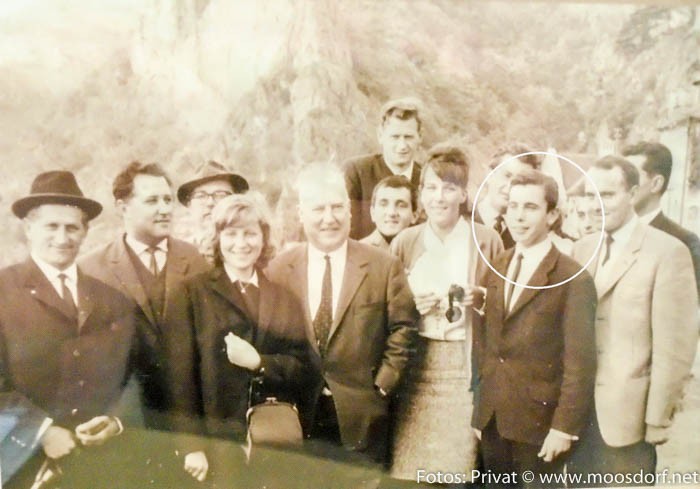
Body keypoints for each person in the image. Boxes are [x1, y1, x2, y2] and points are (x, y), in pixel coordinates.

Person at [266, 163, 418, 466]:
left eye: (337, 207)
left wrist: (382, 385)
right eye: (318, 209)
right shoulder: (279, 269)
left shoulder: (384, 266)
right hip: (298, 416)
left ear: (349, 211)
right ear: (301, 214)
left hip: (362, 417)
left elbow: (404, 328)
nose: (329, 218)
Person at [569, 156, 698, 486]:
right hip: (578, 416)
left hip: (629, 419)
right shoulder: (581, 249)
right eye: (590, 195)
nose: (596, 205)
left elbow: (675, 347)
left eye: (607, 194)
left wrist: (657, 418)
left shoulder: (668, 252)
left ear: (633, 193)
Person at [1, 171, 134, 488]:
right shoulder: (3, 291)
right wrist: (41, 431)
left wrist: (114, 420)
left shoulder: (113, 301)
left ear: (85, 232)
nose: (62, 238)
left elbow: (133, 376)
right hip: (25, 465)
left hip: (102, 467)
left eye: (72, 228)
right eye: (51, 226)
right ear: (29, 228)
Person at [80, 161, 210, 483]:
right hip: (128, 429)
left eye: (167, 199)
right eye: (152, 201)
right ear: (122, 207)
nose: (164, 209)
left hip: (194, 433)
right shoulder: (92, 269)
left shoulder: (195, 260)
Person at [471, 169, 597, 488]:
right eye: (513, 206)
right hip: (493, 420)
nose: (518, 216)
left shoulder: (573, 278)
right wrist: (480, 410)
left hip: (539, 427)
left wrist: (563, 427)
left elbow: (580, 363)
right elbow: (486, 343)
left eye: (530, 207)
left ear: (552, 215)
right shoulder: (498, 265)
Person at [388, 144, 503, 483]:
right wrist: (411, 306)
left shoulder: (486, 240)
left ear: (464, 194)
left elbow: (507, 305)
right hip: (415, 368)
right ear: (421, 194)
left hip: (464, 371)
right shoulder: (405, 241)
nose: (439, 198)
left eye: (449, 188)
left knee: (457, 471)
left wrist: (480, 297)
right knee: (410, 472)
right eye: (431, 188)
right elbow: (387, 309)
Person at [181, 192, 311, 486]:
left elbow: (302, 367)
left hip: (272, 441)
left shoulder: (283, 298)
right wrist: (192, 446)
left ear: (263, 238)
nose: (241, 243)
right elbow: (181, 376)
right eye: (231, 233)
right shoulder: (192, 292)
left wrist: (259, 362)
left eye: (250, 233)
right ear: (217, 238)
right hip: (217, 443)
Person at [622, 141, 700, 295]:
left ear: (656, 184)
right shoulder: (604, 234)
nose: (620, 185)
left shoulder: (683, 242)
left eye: (630, 178)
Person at [345, 97, 423, 240]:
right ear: (381, 136)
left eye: (408, 137)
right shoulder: (357, 172)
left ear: (420, 137)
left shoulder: (428, 178)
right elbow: (346, 229)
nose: (402, 146)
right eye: (395, 137)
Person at [176, 160, 249, 263]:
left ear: (236, 202)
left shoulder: (250, 250)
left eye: (220, 195)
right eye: (200, 196)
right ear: (189, 205)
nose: (210, 203)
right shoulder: (176, 254)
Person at [475, 143, 541, 249]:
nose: (510, 186)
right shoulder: (462, 222)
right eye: (507, 176)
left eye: (520, 181)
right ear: (489, 175)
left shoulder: (524, 237)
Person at [360, 175, 416, 250]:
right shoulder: (359, 250)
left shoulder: (424, 250)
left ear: (414, 215)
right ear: (372, 213)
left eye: (401, 206)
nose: (391, 213)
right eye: (383, 205)